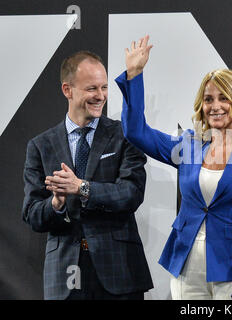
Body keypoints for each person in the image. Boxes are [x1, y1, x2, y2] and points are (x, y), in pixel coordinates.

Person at [115, 35, 232, 300]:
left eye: (223, 98)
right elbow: (136, 132)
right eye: (208, 99)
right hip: (185, 268)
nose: (215, 106)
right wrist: (134, 75)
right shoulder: (187, 145)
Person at [22, 51, 152, 300]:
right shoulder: (40, 146)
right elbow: (32, 214)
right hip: (64, 277)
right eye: (92, 88)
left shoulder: (125, 135)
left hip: (119, 270)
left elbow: (131, 194)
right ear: (67, 90)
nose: (101, 96)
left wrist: (81, 187)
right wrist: (56, 204)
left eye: (104, 87)